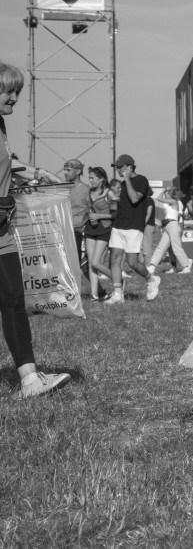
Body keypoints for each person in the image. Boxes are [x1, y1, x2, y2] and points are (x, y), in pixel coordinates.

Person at [0, 61, 71, 397]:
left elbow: (7, 163)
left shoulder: (0, 125)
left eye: (17, 92)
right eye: (7, 90)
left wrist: (37, 173)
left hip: (2, 227)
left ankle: (29, 379)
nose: (13, 98)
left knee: (13, 301)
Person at [106, 154, 160, 304]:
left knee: (132, 263)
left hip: (134, 226)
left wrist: (128, 179)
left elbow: (135, 198)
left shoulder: (141, 180)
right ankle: (118, 294)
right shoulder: (123, 184)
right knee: (115, 259)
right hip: (118, 225)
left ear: (130, 167)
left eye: (121, 167)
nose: (118, 170)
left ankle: (151, 280)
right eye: (117, 167)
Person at [83, 166, 114, 300]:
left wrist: (99, 216)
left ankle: (118, 281)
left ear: (101, 179)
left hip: (104, 228)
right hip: (90, 229)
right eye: (89, 178)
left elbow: (114, 214)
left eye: (93, 178)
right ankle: (94, 295)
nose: (90, 181)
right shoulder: (89, 192)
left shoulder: (109, 193)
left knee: (96, 262)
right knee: (91, 263)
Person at [147, 187, 192, 274]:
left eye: (166, 193)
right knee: (161, 247)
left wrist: (163, 190)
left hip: (173, 226)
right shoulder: (169, 203)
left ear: (170, 194)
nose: (165, 194)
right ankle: (152, 266)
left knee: (176, 248)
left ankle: (186, 266)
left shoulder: (173, 201)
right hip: (168, 226)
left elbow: (159, 199)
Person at [62, 159, 91, 271]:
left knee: (74, 265)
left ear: (78, 171)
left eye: (68, 170)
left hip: (77, 231)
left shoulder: (86, 190)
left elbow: (92, 210)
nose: (65, 173)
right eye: (64, 170)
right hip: (62, 230)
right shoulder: (63, 189)